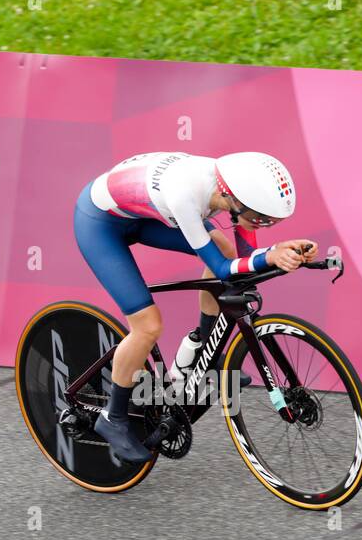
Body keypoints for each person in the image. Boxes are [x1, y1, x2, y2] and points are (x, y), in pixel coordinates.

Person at [73, 151, 318, 463]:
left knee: (225, 247)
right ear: (232, 198)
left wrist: (284, 252)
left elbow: (244, 254)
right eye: (261, 219)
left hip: (142, 214)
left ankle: (205, 352)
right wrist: (271, 255)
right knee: (148, 326)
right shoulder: (185, 195)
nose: (264, 226)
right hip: (100, 224)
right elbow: (223, 267)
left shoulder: (229, 189)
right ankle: (113, 416)